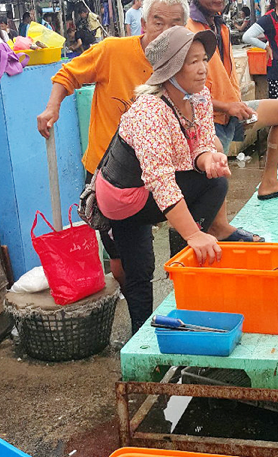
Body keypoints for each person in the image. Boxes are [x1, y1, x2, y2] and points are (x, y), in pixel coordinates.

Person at [37, 0, 190, 288]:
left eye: (175, 24)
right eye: (158, 22)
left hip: (153, 177)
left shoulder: (183, 64)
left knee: (140, 262)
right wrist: (52, 107)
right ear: (143, 25)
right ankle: (129, 292)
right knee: (125, 261)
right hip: (107, 179)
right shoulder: (113, 52)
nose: (167, 31)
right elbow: (68, 74)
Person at [96, 26, 228, 332]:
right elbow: (161, 181)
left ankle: (182, 257)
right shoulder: (151, 111)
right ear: (170, 69)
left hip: (147, 190)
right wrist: (195, 235)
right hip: (124, 197)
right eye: (192, 61)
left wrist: (208, 159)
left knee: (215, 180)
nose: (202, 68)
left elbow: (203, 141)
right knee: (139, 270)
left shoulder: (199, 96)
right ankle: (143, 337)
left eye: (203, 58)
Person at [187, 0, 278, 201]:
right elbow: (183, 94)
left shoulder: (221, 27)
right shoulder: (187, 29)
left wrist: (235, 104)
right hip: (206, 120)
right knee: (214, 171)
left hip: (231, 113)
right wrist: (226, 106)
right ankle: (215, 225)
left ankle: (270, 183)